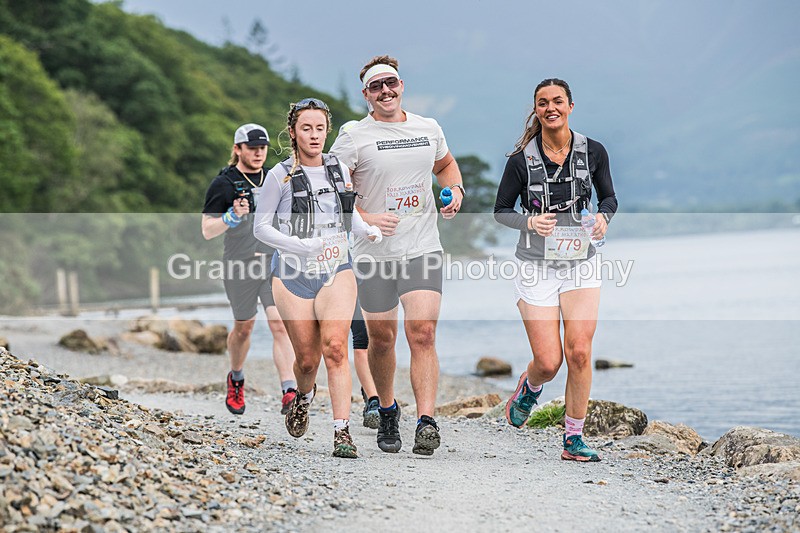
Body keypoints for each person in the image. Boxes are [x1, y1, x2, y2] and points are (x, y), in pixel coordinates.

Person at [330, 55, 464, 456]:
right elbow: (332, 191)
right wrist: (366, 218)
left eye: (391, 83)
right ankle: (388, 410)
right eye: (376, 87)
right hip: (373, 251)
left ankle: (427, 421)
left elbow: (446, 165)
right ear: (366, 95)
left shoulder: (428, 128)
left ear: (401, 85)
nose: (385, 91)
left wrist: (455, 191)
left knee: (422, 332)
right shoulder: (354, 136)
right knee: (382, 339)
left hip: (422, 245)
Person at [493, 78, 618, 462]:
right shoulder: (520, 161)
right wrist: (529, 223)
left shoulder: (593, 151)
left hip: (581, 263)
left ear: (570, 106)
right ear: (536, 109)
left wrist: (603, 218)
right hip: (535, 267)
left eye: (558, 101)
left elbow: (609, 198)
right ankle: (529, 388)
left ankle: (573, 439)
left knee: (579, 351)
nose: (551, 108)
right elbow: (501, 211)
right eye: (543, 102)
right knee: (548, 362)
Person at [253, 98, 382, 458]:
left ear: (327, 131)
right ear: (293, 132)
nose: (314, 135)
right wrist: (300, 245)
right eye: (306, 128)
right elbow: (261, 228)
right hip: (292, 274)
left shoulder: (337, 167)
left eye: (320, 128)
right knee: (308, 360)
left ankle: (342, 432)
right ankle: (303, 395)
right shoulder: (279, 176)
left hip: (336, 267)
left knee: (336, 348)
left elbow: (347, 212)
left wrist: (366, 230)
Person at [202, 123, 298, 417]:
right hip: (239, 265)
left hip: (272, 263)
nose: (258, 153)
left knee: (279, 323)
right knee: (244, 328)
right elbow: (207, 230)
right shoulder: (224, 183)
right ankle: (236, 377)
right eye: (252, 148)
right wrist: (231, 216)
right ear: (238, 149)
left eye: (262, 148)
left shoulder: (275, 178)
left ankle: (289, 389)